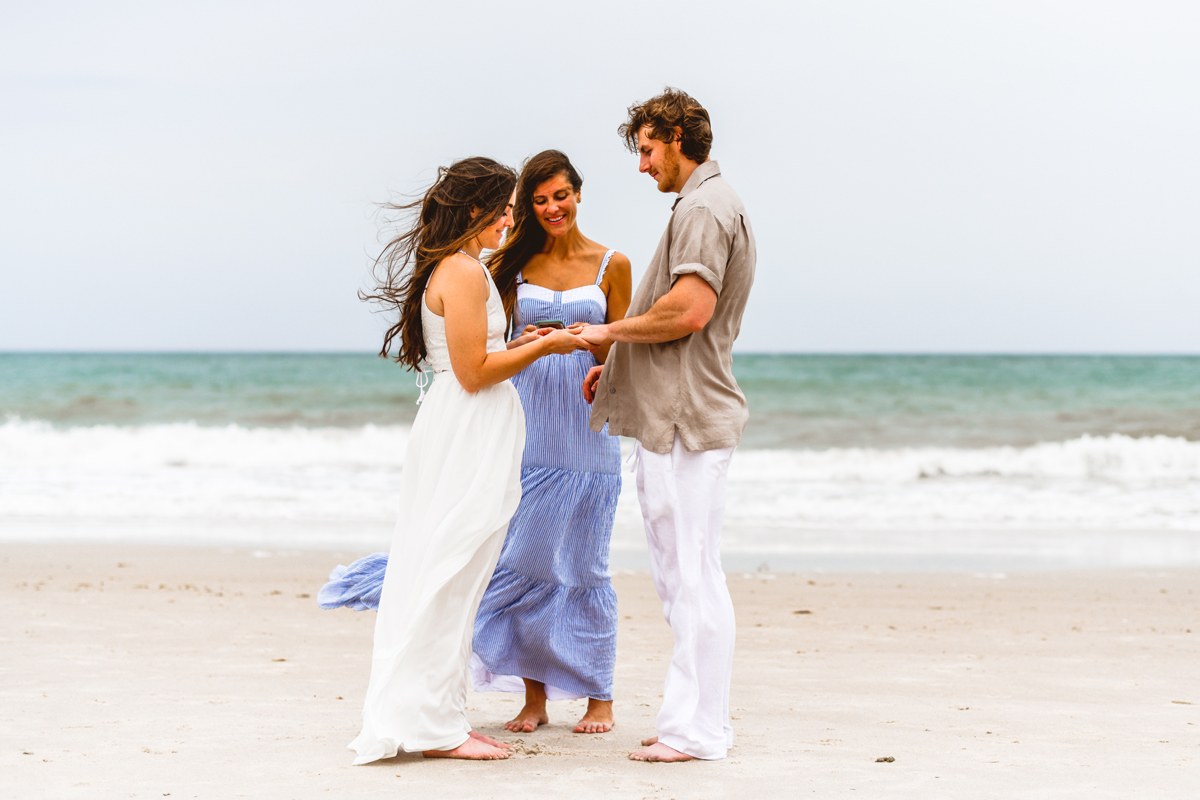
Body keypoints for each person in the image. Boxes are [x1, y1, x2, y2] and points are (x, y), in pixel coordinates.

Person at [320, 156, 592, 763]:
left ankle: (435, 715)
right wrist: (548, 345)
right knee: (451, 570)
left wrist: (516, 345)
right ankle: (437, 725)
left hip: (462, 428)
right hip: (469, 429)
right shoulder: (465, 271)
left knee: (454, 570)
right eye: (504, 212)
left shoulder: (458, 268)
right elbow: (474, 373)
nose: (509, 223)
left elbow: (476, 355)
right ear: (477, 211)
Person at [581, 88, 757, 763]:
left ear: (679, 137)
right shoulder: (701, 204)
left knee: (693, 574)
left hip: (687, 417)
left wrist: (605, 331)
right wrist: (621, 359)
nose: (642, 163)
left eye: (648, 149)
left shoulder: (708, 207)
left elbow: (687, 310)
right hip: (672, 412)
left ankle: (700, 730)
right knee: (679, 577)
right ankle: (688, 718)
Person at [469, 150, 632, 735]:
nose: (551, 208)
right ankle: (534, 698)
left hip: (590, 434)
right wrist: (532, 341)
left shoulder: (613, 264)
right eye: (538, 200)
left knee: (587, 564)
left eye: (559, 195)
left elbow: (622, 348)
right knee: (529, 562)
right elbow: (494, 347)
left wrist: (593, 346)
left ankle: (599, 695)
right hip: (529, 429)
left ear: (579, 193)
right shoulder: (509, 267)